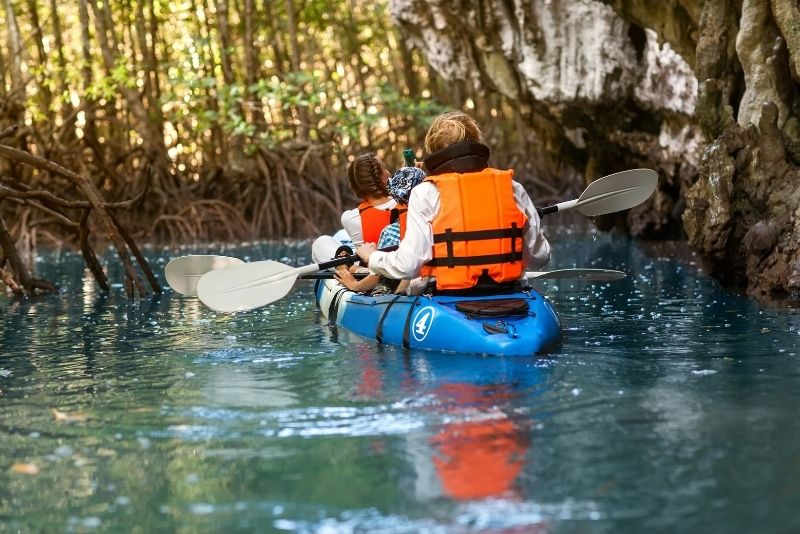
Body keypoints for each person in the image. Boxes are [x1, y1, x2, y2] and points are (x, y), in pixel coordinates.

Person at [356, 111, 550, 294]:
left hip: (446, 297)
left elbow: (408, 266)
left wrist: (373, 257)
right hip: (509, 292)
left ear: (433, 152)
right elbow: (539, 257)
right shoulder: (513, 188)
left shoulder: (425, 193)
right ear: (476, 145)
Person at [334, 166, 426, 294]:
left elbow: (377, 276)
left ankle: (353, 268)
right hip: (421, 279)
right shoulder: (435, 222)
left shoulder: (389, 231)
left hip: (393, 277)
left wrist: (354, 285)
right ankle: (355, 268)